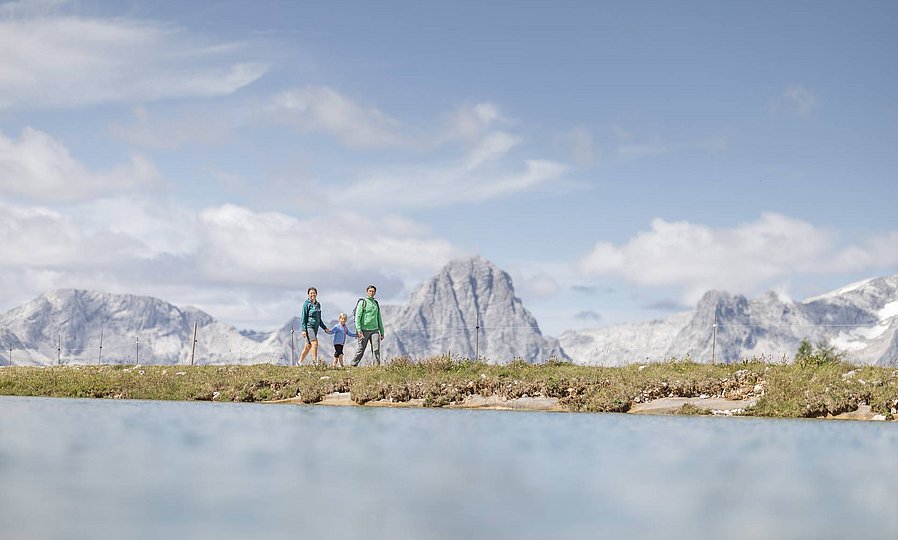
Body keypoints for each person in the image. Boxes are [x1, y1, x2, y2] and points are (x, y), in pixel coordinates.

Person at [351, 285, 385, 366]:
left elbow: (379, 318)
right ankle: (353, 364)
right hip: (364, 330)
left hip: (375, 330)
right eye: (370, 291)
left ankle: (376, 366)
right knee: (361, 349)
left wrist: (382, 331)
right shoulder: (362, 302)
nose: (371, 293)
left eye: (373, 291)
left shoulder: (376, 303)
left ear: (375, 292)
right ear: (367, 292)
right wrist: (359, 330)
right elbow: (358, 317)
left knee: (376, 349)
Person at [299, 287, 328, 366]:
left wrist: (324, 328)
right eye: (311, 293)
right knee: (314, 343)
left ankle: (299, 362)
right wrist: (303, 329)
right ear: (308, 294)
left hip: (316, 328)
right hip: (309, 327)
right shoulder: (306, 304)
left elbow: (319, 319)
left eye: (314, 293)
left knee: (308, 346)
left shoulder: (318, 305)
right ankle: (315, 363)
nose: (312, 294)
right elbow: (303, 317)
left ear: (316, 294)